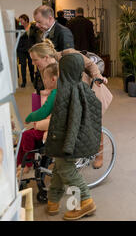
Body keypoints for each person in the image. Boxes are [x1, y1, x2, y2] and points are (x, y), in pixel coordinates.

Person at [45, 53, 101, 220]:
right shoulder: (80, 87)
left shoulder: (67, 92)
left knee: (66, 169)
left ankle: (86, 201)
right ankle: (53, 200)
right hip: (70, 140)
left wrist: (68, 146)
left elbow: (74, 121)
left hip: (67, 141)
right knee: (58, 168)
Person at [16, 63, 58, 177]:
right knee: (25, 135)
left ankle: (27, 164)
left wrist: (29, 117)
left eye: (45, 78)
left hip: (53, 127)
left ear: (53, 79)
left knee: (26, 136)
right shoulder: (61, 90)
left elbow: (42, 112)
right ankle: (20, 163)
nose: (43, 80)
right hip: (53, 124)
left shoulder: (54, 93)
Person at [16, 14, 40, 87]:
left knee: (31, 65)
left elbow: (36, 38)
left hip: (31, 49)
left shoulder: (33, 27)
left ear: (26, 20)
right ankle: (24, 81)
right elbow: (17, 38)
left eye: (21, 21)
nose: (20, 22)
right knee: (23, 65)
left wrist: (36, 47)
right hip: (21, 49)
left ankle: (32, 79)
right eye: (19, 21)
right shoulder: (19, 28)